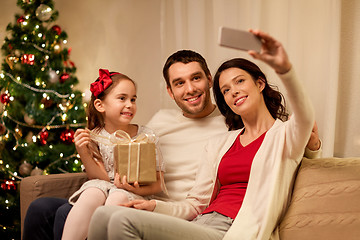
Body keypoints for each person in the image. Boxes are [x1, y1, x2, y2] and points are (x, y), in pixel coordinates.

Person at [22, 48, 321, 240]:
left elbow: (304, 122)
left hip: (234, 229)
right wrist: (150, 203)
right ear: (169, 90)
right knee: (77, 211)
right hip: (194, 219)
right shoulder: (221, 141)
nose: (233, 92)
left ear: (259, 83)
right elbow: (195, 204)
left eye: (240, 82)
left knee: (112, 218)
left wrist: (285, 68)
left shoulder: (282, 135)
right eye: (226, 89)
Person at [59, 69, 165, 240]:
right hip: (104, 186)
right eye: (122, 98)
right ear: (100, 105)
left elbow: (159, 184)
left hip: (133, 192)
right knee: (91, 193)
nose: (129, 104)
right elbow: (100, 178)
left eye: (133, 99)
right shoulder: (95, 136)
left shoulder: (146, 136)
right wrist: (83, 152)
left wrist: (133, 187)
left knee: (116, 198)